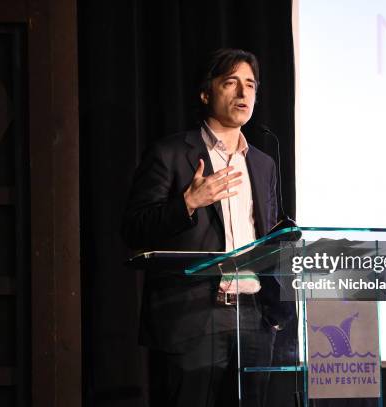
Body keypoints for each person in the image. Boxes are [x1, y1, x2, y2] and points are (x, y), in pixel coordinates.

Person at [123, 48, 287, 407]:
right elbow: (133, 229)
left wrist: (274, 314)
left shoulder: (263, 163)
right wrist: (187, 204)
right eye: (231, 83)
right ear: (206, 93)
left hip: (254, 318)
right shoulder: (170, 154)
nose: (244, 94)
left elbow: (266, 240)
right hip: (193, 317)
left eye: (250, 85)